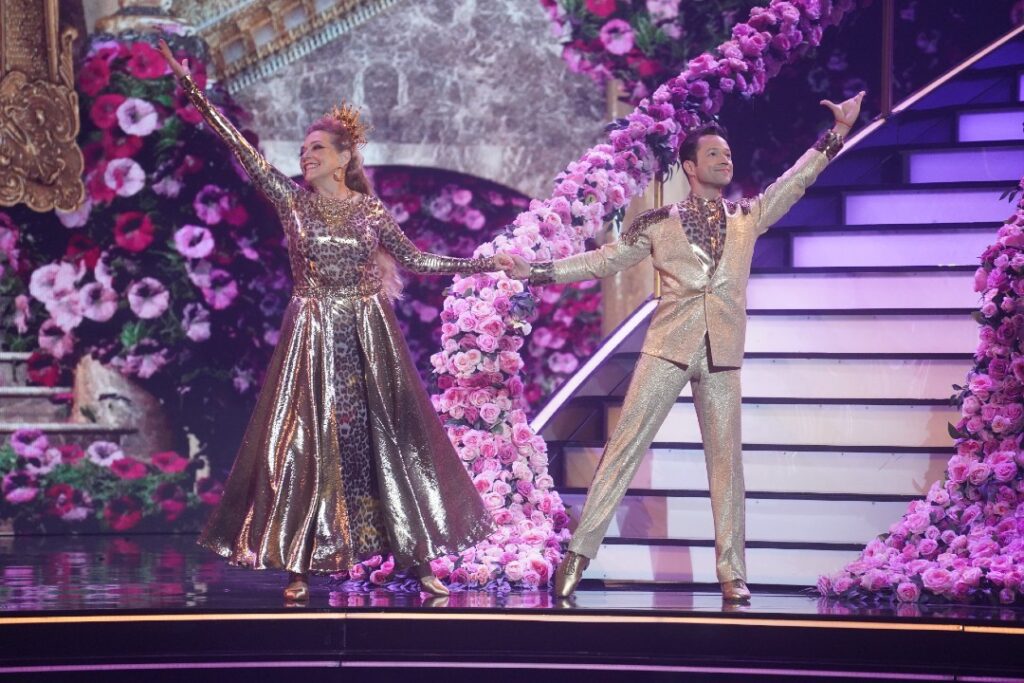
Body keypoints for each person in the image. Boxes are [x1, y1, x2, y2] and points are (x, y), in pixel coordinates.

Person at [158, 41, 517, 602]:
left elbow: (418, 260)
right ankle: (301, 559)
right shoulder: (292, 203)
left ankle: (419, 557)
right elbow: (243, 151)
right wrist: (194, 92)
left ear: (345, 157)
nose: (306, 156)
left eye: (317, 148)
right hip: (313, 333)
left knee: (390, 442)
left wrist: (482, 262)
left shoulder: (370, 212)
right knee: (306, 441)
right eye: (303, 149)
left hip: (369, 337)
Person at [505, 92, 866, 602]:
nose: (726, 160)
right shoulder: (658, 222)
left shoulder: (748, 215)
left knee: (727, 464)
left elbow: (796, 182)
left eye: (729, 153)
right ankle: (579, 556)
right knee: (622, 451)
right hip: (667, 347)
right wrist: (537, 271)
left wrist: (836, 134)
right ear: (691, 167)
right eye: (715, 154)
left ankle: (731, 571)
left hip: (721, 354)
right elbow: (602, 262)